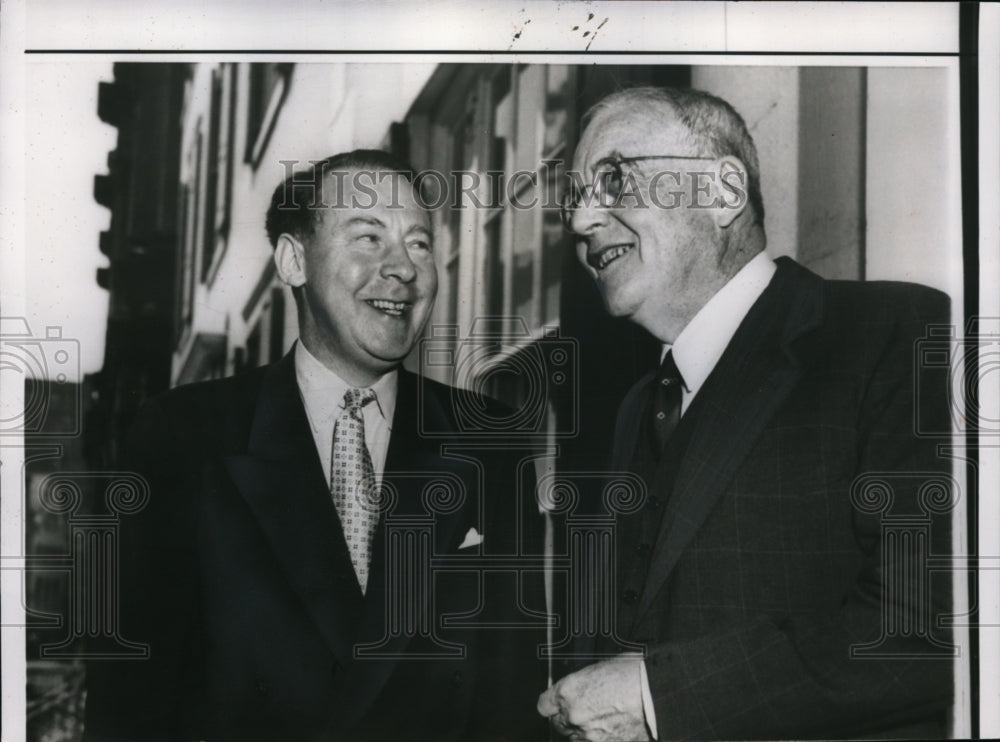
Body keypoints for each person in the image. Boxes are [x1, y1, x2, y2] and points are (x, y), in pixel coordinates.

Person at [84, 150, 547, 742]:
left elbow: (512, 701)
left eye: (420, 243)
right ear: (294, 260)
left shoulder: (490, 442)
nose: (403, 268)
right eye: (368, 237)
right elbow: (130, 703)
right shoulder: (184, 436)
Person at [537, 87, 955, 741]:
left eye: (614, 179)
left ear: (725, 190)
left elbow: (923, 629)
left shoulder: (895, 333)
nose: (583, 221)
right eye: (576, 199)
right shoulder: (637, 408)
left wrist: (657, 697)